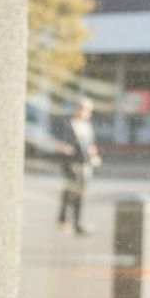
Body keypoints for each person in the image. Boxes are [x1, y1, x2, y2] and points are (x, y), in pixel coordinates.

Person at [53, 97, 101, 236]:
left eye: (89, 110)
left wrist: (93, 156)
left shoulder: (88, 126)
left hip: (84, 163)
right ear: (77, 109)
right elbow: (61, 143)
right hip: (71, 163)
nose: (86, 112)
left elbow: (90, 145)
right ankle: (65, 219)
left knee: (79, 191)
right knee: (72, 190)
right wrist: (65, 151)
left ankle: (75, 221)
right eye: (84, 109)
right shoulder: (67, 124)